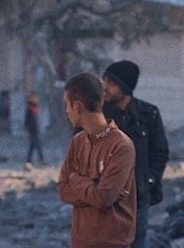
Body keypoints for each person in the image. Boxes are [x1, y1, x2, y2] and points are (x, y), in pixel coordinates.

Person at [58, 72, 137, 248]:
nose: (67, 111)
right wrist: (95, 188)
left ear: (77, 106)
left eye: (67, 105)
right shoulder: (78, 142)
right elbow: (63, 191)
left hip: (112, 243)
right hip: (80, 242)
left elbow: (103, 198)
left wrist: (75, 179)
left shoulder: (121, 146)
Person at [102, 60, 169, 248]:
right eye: (104, 80)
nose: (105, 87)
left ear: (125, 87)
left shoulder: (148, 114)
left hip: (138, 200)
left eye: (112, 83)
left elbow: (160, 152)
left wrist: (151, 179)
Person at [24, 90, 45, 169]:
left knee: (32, 146)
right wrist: (29, 127)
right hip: (33, 130)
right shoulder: (29, 108)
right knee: (38, 145)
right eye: (35, 98)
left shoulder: (35, 107)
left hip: (36, 129)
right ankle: (41, 160)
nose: (36, 99)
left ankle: (28, 160)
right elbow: (27, 120)